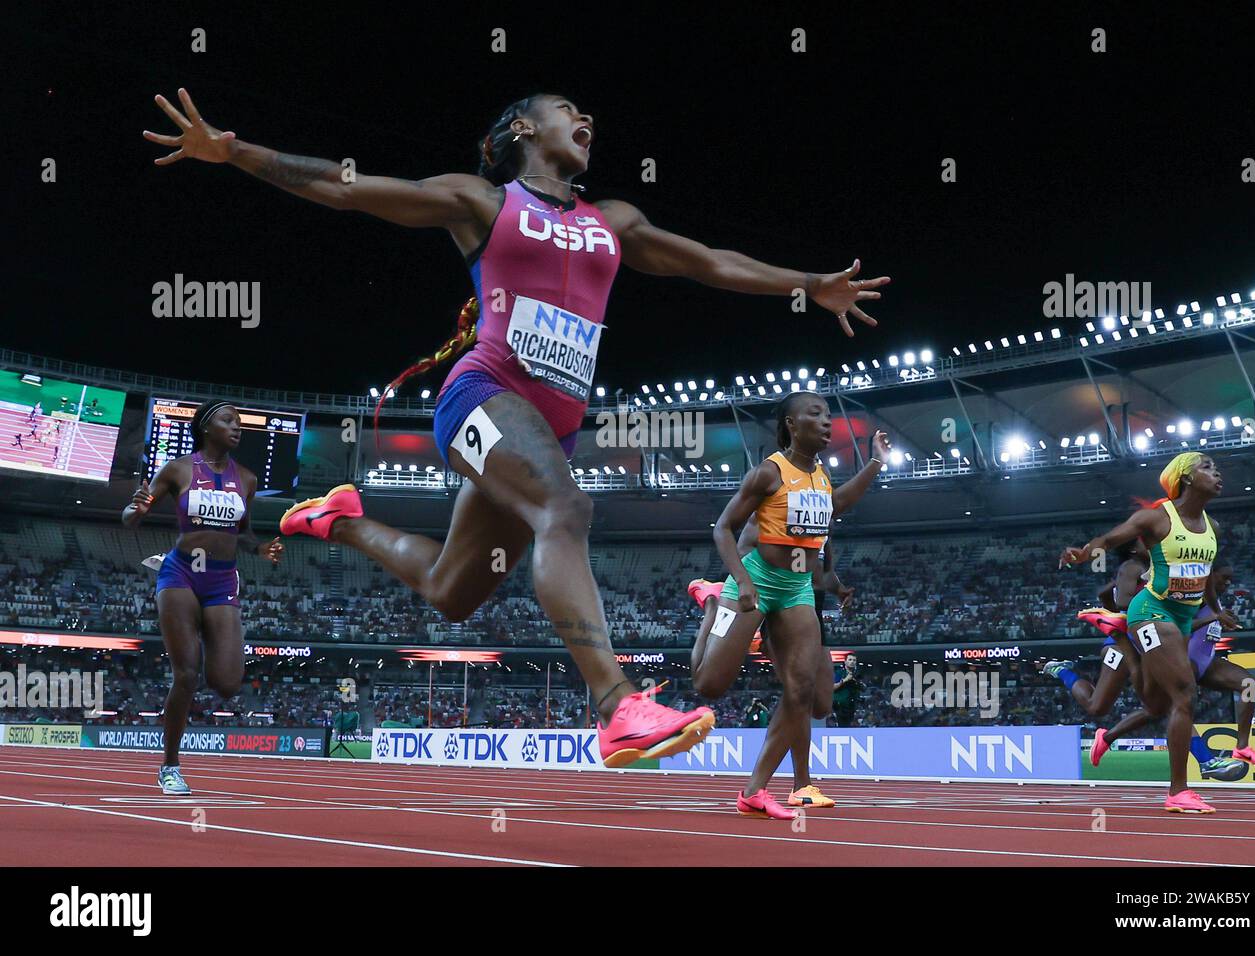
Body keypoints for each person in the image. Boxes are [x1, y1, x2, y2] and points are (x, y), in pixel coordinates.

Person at [145, 88, 889, 768]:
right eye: (570, 108)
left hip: (547, 430)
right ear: (526, 128)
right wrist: (234, 151)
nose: (587, 118)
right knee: (565, 508)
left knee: (449, 592)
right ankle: (616, 704)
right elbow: (349, 191)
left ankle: (340, 522)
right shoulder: (482, 203)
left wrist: (807, 284)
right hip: (483, 396)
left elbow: (710, 263)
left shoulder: (613, 222)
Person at [692, 391, 889, 819]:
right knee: (708, 685)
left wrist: (874, 462)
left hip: (797, 588)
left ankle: (755, 790)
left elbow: (837, 504)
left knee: (800, 690)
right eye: (814, 414)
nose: (826, 422)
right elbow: (723, 529)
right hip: (756, 581)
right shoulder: (768, 473)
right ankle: (711, 607)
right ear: (790, 425)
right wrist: (741, 582)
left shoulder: (819, 476)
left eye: (828, 415)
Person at [122, 399, 283, 794]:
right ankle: (170, 766)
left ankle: (211, 639)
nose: (237, 427)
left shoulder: (246, 478)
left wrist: (260, 549)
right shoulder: (178, 469)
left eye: (240, 422)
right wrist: (136, 509)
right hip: (181, 574)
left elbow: (244, 533)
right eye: (229, 420)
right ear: (206, 427)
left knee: (227, 683)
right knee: (187, 674)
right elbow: (130, 516)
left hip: (222, 579)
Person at [1059, 452, 1232, 814]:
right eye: (1207, 467)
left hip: (1182, 618)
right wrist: (1084, 553)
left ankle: (1118, 634)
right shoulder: (1157, 518)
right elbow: (1109, 539)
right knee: (1185, 692)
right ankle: (1178, 791)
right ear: (1185, 478)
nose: (1216, 472)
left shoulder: (1212, 526)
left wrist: (1216, 612)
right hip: (1152, 611)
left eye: (1216, 467)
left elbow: (1206, 575)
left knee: (1156, 705)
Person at [1046, 544, 1247, 781]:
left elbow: (1104, 593)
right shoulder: (1133, 567)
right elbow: (1120, 600)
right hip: (1123, 644)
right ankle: (1064, 672)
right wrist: (1121, 614)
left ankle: (1206, 760)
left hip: (1148, 642)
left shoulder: (1166, 570)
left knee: (1167, 702)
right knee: (1096, 706)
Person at [687, 529, 848, 808]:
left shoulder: (825, 526)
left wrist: (839, 588)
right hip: (774, 603)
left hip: (810, 608)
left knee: (820, 703)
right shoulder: (777, 510)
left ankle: (797, 783)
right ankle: (800, 784)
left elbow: (823, 575)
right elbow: (743, 544)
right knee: (797, 691)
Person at [832, 652, 862, 728]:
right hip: (839, 706)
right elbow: (832, 687)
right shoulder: (839, 673)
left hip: (852, 706)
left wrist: (858, 683)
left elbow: (863, 688)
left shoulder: (857, 674)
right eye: (850, 660)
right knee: (842, 727)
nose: (852, 662)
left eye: (854, 660)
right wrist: (845, 680)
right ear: (845, 661)